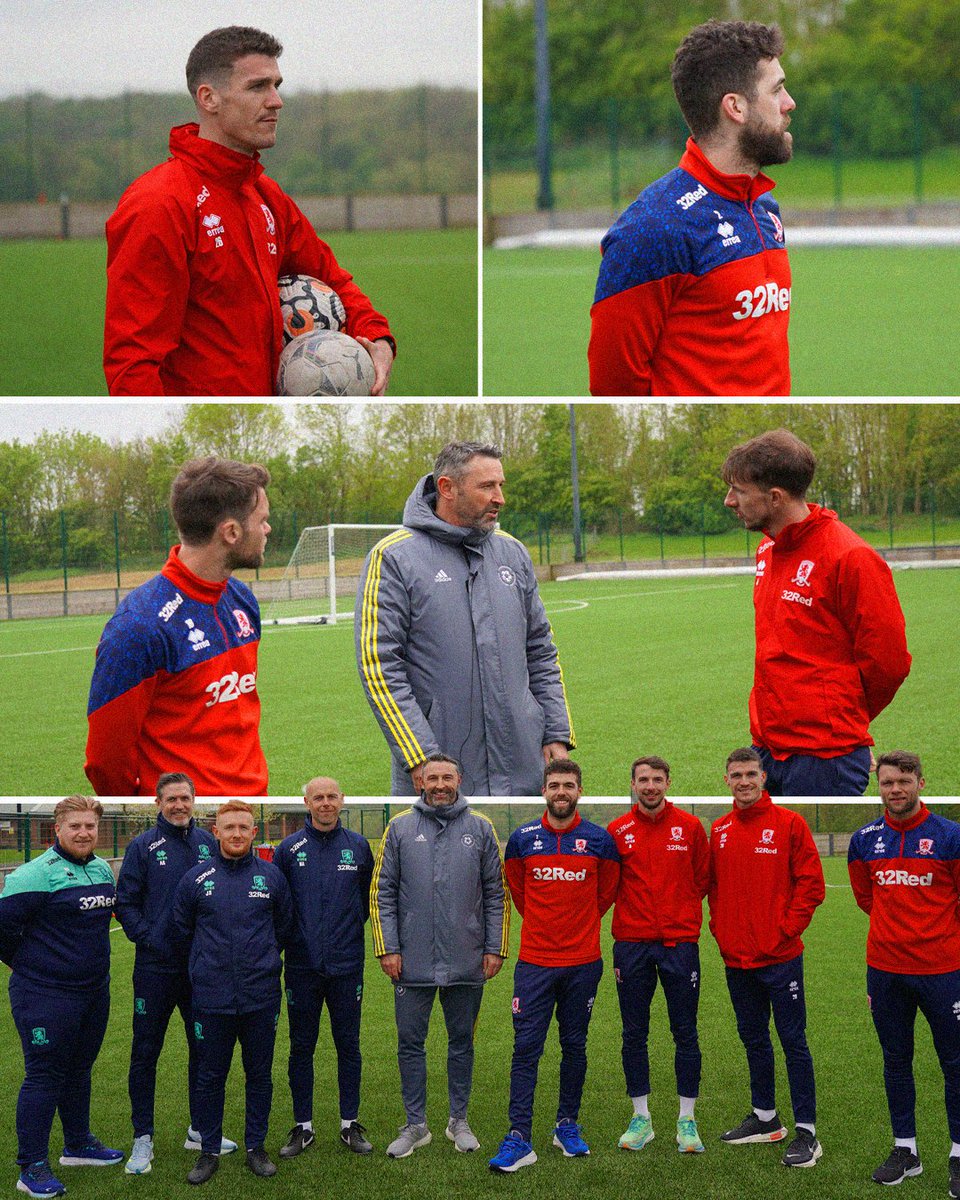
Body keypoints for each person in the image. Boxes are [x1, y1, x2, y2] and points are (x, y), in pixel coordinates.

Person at [104, 25, 394, 397]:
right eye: (258, 87)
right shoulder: (158, 203)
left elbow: (333, 280)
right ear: (209, 98)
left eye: (277, 85)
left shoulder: (265, 195)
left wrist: (377, 338)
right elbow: (133, 364)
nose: (276, 101)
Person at [356, 440, 575, 797]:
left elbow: (540, 651)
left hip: (524, 768)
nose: (500, 497)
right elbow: (379, 667)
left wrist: (555, 732)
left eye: (501, 485)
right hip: (439, 774)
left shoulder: (512, 552)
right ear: (447, 488)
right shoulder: (393, 557)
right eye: (487, 486)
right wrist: (420, 754)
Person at [590, 20, 794, 396]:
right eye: (777, 89)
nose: (789, 102)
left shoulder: (763, 204)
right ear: (735, 106)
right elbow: (614, 385)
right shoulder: (654, 227)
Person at [722, 429, 912, 796]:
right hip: (765, 749)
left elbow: (889, 663)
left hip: (825, 759)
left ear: (775, 497)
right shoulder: (767, 550)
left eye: (739, 491)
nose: (729, 501)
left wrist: (838, 720)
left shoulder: (850, 557)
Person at [85, 456, 271, 797]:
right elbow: (106, 761)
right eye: (262, 521)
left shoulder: (242, 599)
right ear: (231, 532)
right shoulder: (139, 627)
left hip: (249, 810)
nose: (267, 530)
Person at [370, 754, 508, 1158]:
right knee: (410, 1043)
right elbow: (382, 895)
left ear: (459, 779)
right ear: (421, 783)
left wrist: (494, 948)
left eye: (448, 777)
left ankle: (457, 1121)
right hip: (410, 961)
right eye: (433, 778)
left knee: (461, 1042)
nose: (441, 784)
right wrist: (388, 947)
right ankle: (415, 1125)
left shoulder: (481, 828)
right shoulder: (398, 828)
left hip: (467, 961)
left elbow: (497, 895)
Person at [489, 759, 620, 1173]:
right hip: (535, 964)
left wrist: (576, 927)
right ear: (544, 790)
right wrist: (548, 928)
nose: (560, 792)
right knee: (526, 1049)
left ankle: (567, 1124)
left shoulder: (599, 841)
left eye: (568, 785)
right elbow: (519, 893)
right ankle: (518, 1136)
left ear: (579, 790)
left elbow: (606, 895)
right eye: (553, 785)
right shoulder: (523, 839)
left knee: (574, 1046)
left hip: (583, 964)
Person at [847, 751, 960, 1194]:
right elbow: (865, 898)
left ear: (920, 782)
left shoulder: (950, 836)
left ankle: (957, 1153)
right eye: (888, 782)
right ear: (880, 786)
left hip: (943, 972)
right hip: (886, 972)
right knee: (896, 1062)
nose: (896, 789)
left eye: (904, 781)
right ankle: (905, 1149)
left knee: (954, 1063)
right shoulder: (864, 840)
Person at [115, 771, 238, 1175]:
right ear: (159, 804)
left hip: (201, 970)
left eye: (185, 798)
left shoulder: (208, 843)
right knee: (145, 1052)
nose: (179, 806)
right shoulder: (143, 846)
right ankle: (142, 1138)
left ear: (194, 799)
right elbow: (126, 902)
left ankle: (199, 1129)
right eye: (171, 800)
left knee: (203, 1052)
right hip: (155, 969)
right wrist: (150, 939)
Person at [0, 796, 122, 1199]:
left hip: (93, 991)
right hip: (45, 995)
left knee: (79, 1068)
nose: (84, 833)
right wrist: (30, 966)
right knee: (45, 1074)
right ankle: (31, 1166)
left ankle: (78, 1144)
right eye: (76, 827)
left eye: (90, 826)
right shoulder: (33, 875)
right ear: (58, 829)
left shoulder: (103, 868)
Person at [708, 748, 825, 1168]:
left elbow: (811, 886)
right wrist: (721, 930)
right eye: (736, 774)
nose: (744, 781)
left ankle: (807, 1132)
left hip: (779, 958)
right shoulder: (719, 829)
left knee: (793, 1042)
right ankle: (765, 1118)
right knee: (753, 1038)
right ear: (727, 780)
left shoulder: (789, 824)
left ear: (763, 777)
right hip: (737, 960)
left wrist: (783, 931)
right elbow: (715, 889)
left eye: (751, 774)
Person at [171, 800, 293, 1185]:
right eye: (229, 827)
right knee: (210, 1076)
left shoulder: (271, 877)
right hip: (211, 998)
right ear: (217, 831)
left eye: (244, 827)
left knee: (258, 1075)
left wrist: (265, 962)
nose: (237, 833)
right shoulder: (195, 878)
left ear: (254, 833)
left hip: (260, 998)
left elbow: (284, 928)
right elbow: (181, 931)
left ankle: (256, 1147)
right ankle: (208, 1150)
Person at [606, 756, 710, 1154]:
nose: (650, 786)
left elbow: (701, 878)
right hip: (631, 946)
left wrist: (677, 913)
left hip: (679, 945)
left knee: (685, 1031)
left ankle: (687, 1119)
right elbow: (610, 885)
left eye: (657, 779)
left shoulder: (690, 827)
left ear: (668, 782)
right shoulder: (618, 831)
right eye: (643, 780)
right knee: (634, 1032)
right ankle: (642, 1118)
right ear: (633, 784)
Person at [272, 776, 375, 1158]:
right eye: (319, 797)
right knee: (302, 1047)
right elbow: (279, 907)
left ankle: (350, 1125)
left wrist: (342, 935)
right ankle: (303, 1127)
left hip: (347, 966)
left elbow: (365, 904)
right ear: (307, 802)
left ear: (342, 800)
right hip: (301, 967)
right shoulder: (288, 849)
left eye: (332, 796)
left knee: (348, 1044)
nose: (326, 803)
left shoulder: (359, 847)